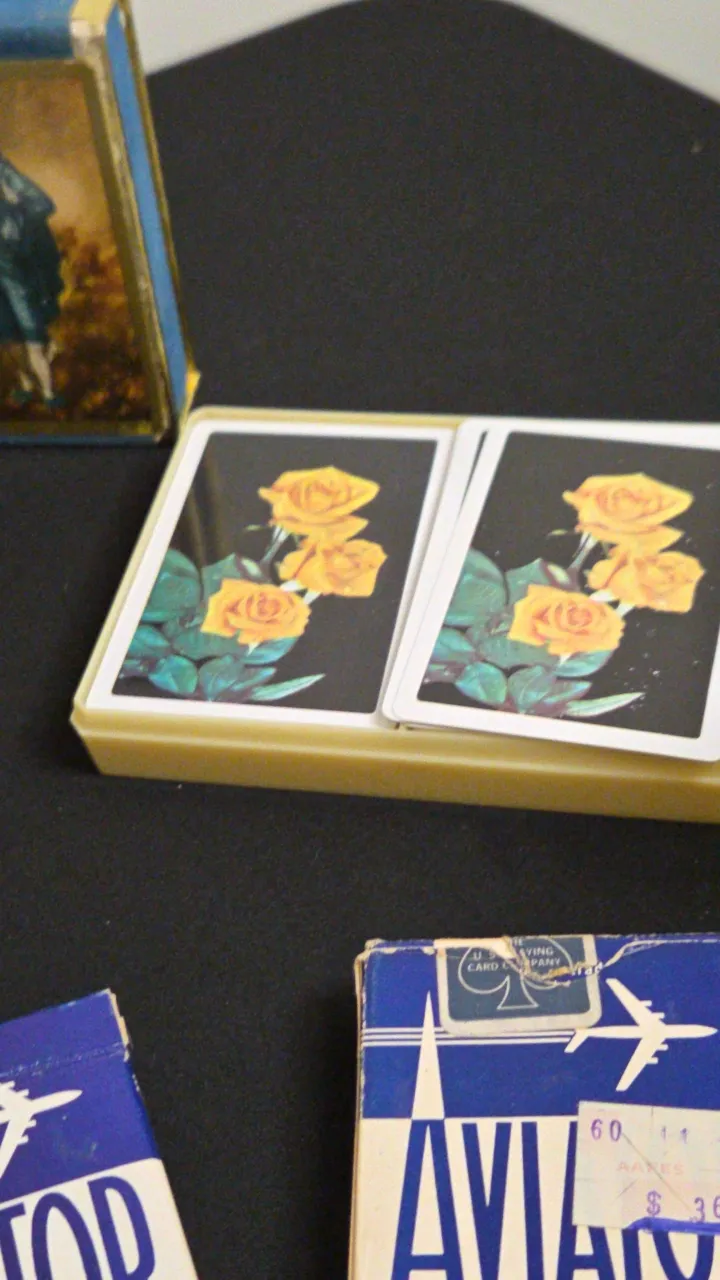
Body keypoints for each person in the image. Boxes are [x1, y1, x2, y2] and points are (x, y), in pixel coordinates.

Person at [0, 153, 63, 407]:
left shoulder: (7, 181)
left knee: (32, 338)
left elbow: (43, 204)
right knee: (8, 339)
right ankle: (26, 385)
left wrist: (16, 202)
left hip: (19, 278)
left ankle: (48, 393)